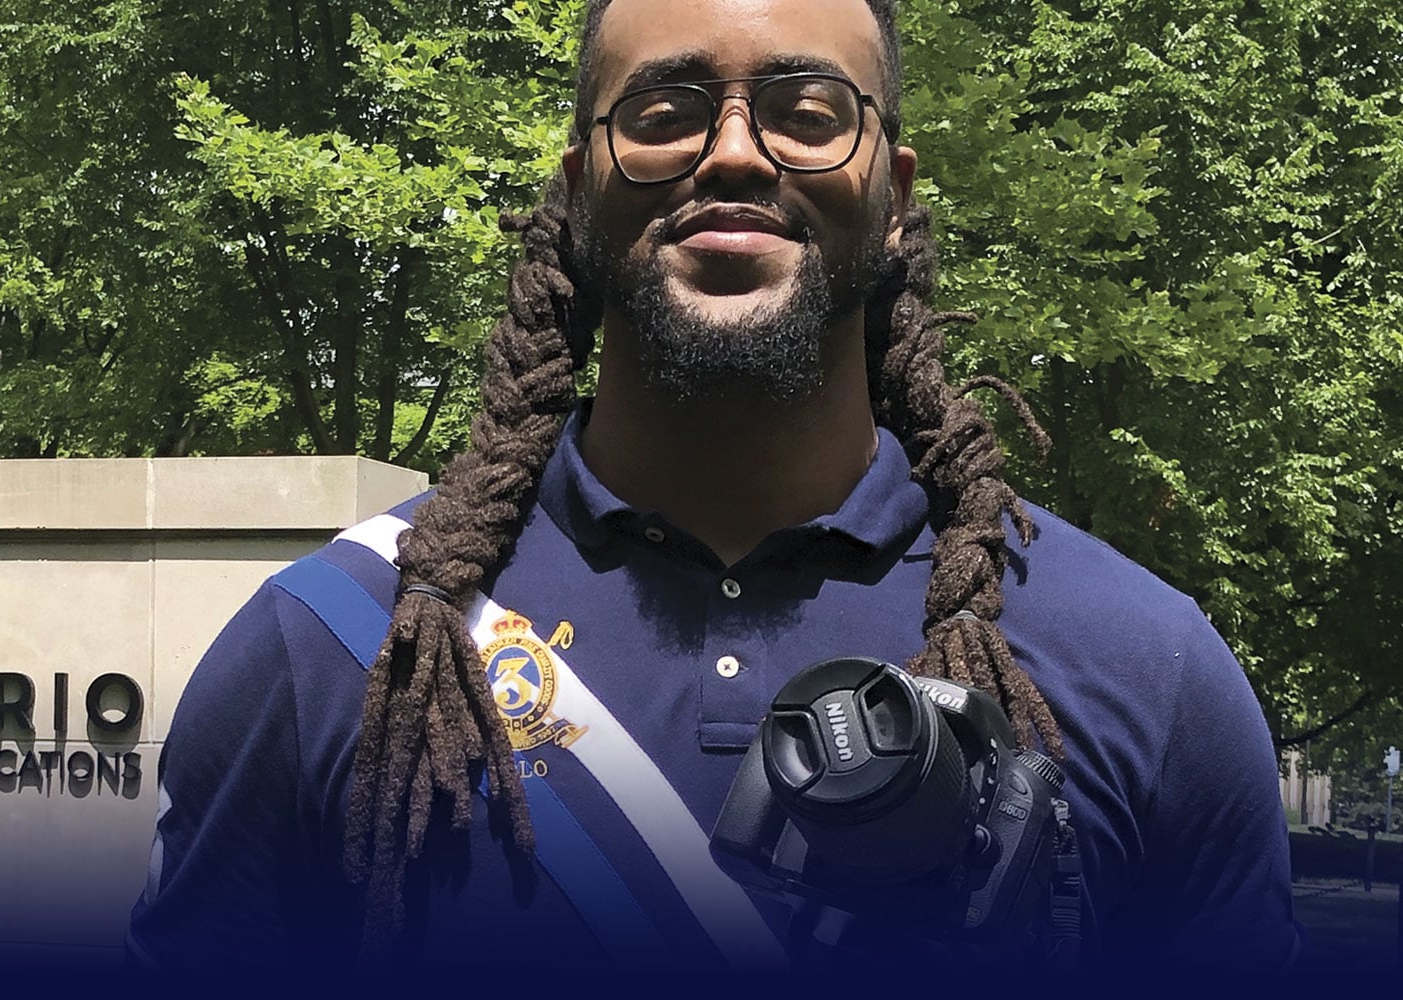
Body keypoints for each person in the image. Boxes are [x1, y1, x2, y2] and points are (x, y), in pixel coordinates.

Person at [128, 0, 1300, 970]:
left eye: (805, 112)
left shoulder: (1151, 673)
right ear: (581, 183)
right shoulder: (329, 656)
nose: (732, 153)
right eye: (663, 112)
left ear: (892, 193)